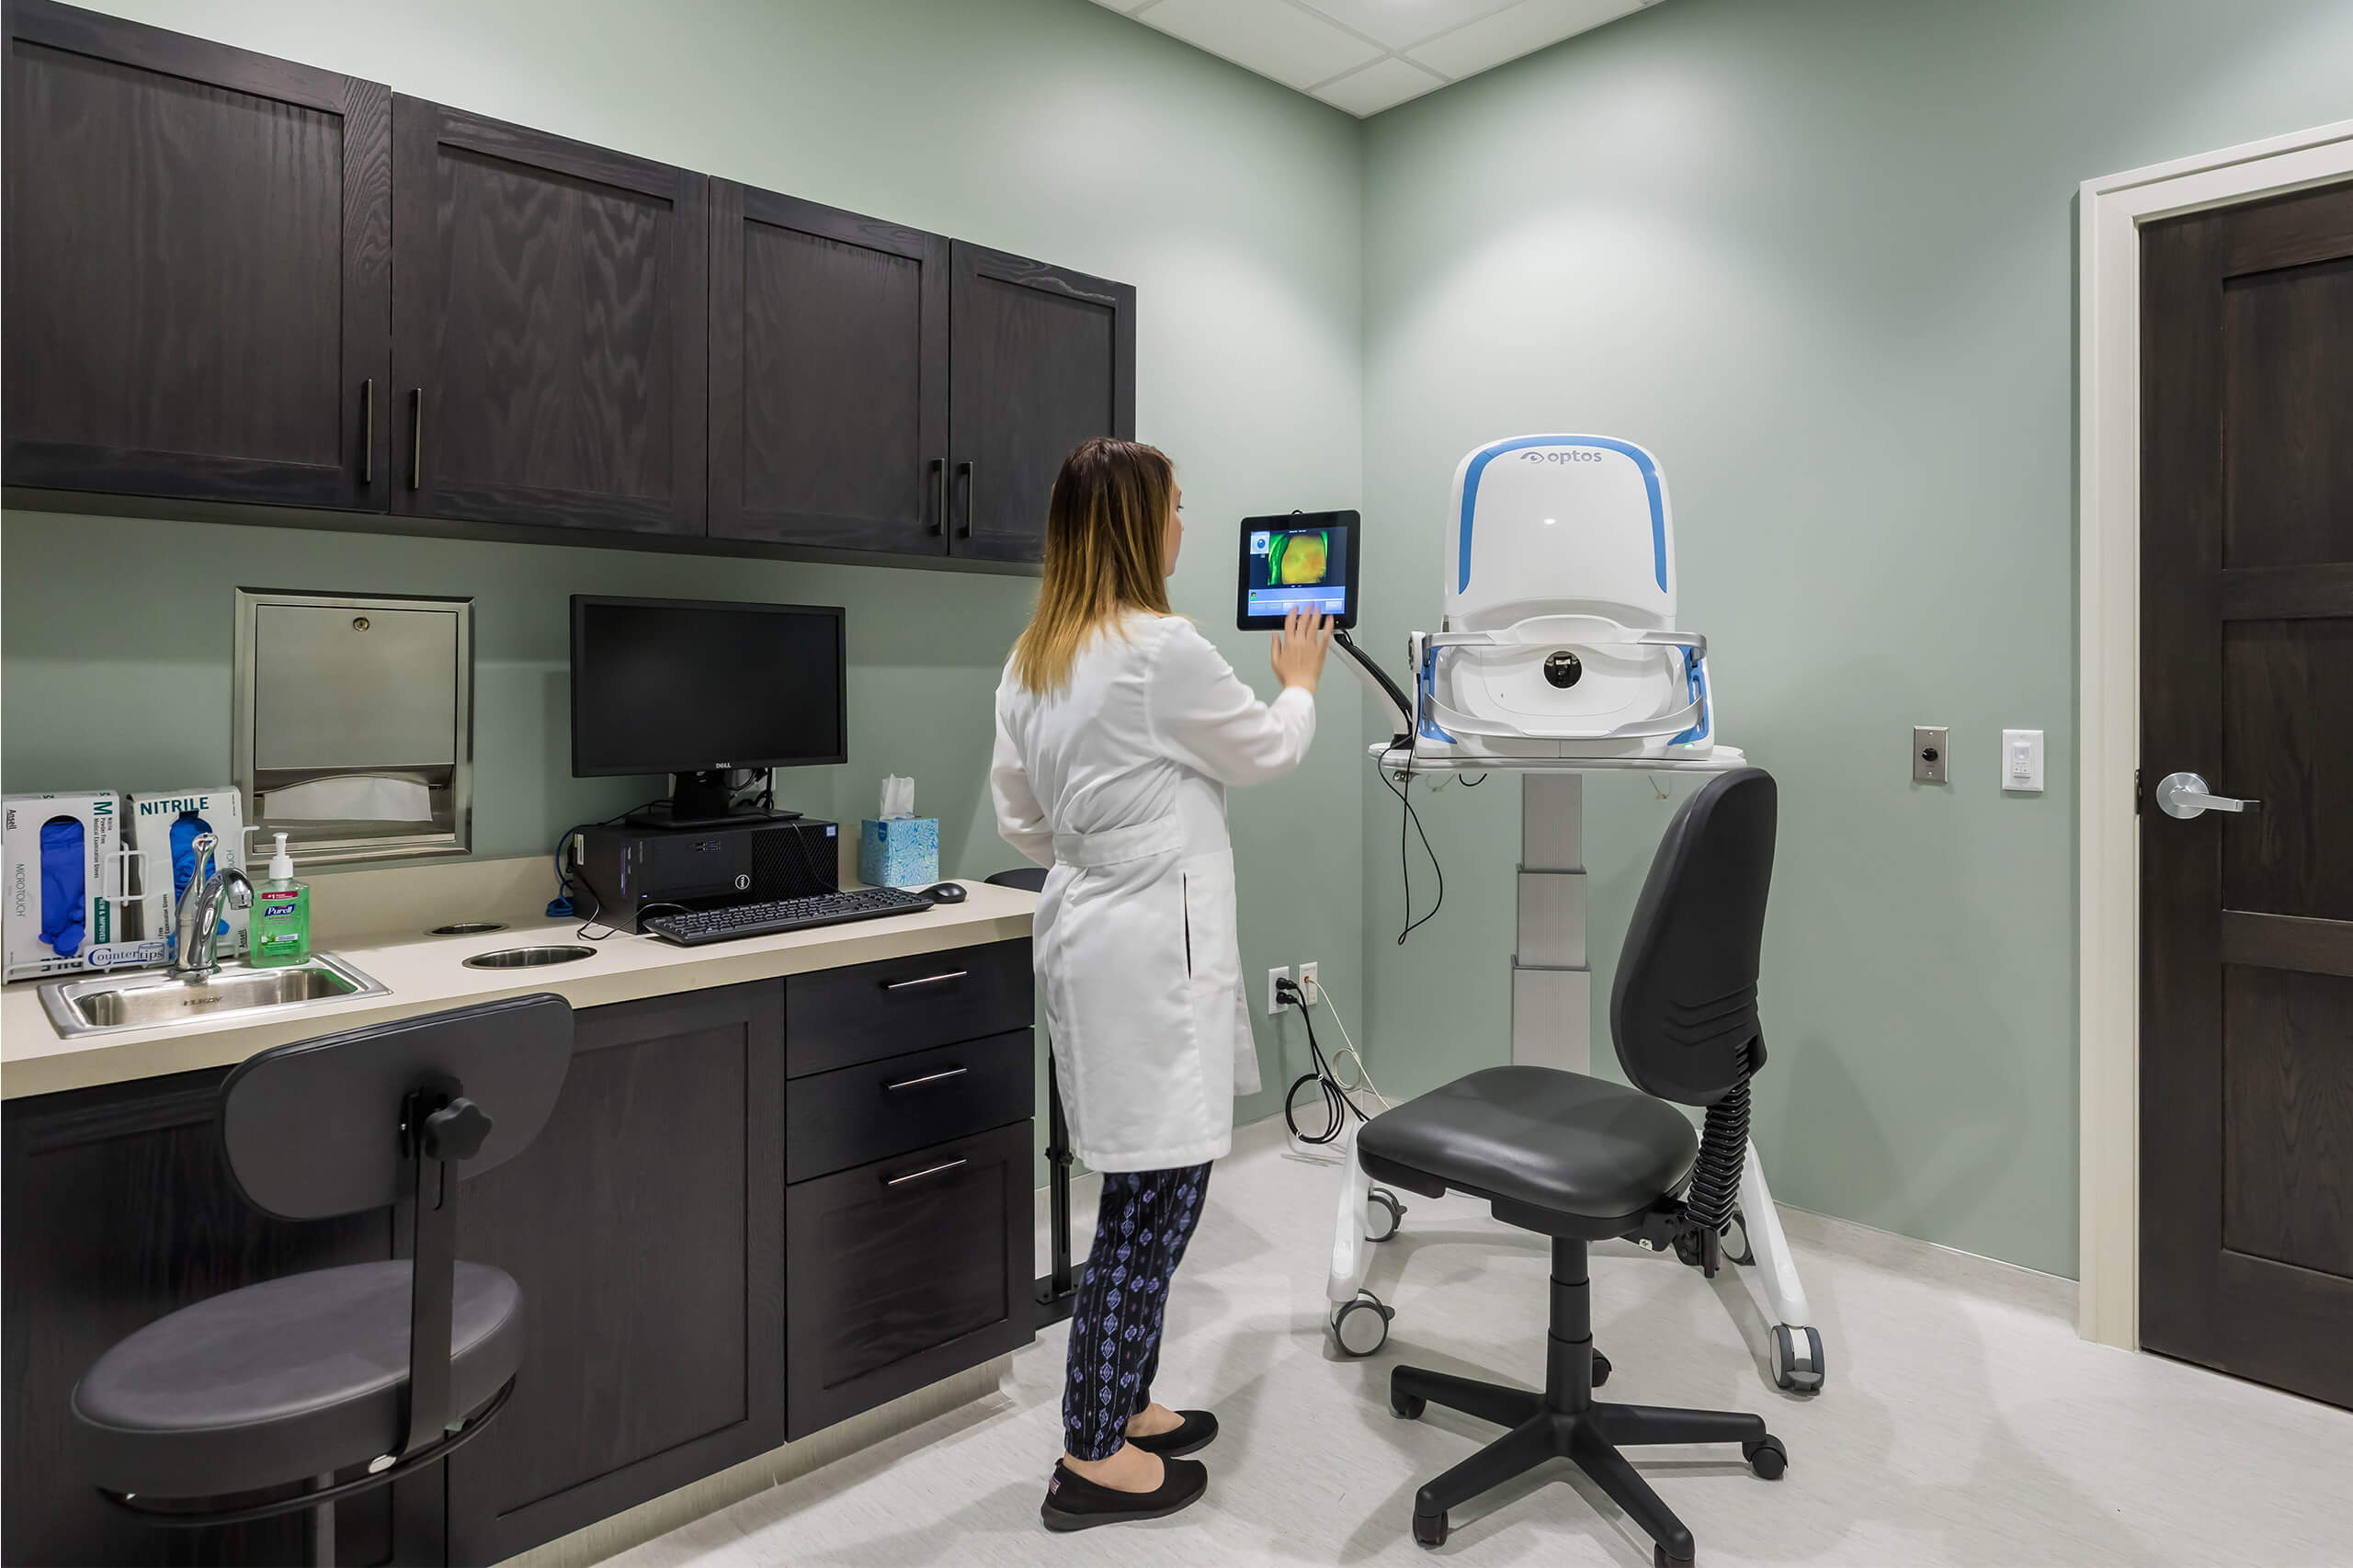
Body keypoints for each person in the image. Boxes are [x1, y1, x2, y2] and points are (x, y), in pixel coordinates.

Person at [991, 436, 1331, 1531]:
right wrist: (1300, 684)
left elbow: (1021, 821)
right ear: (1141, 525)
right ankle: (1088, 1452)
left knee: (1140, 1188)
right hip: (1142, 952)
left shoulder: (1034, 657)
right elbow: (1266, 753)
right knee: (1153, 1206)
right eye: (1178, 506)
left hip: (1091, 933)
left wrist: (1112, 837)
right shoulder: (1159, 648)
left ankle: (1123, 1400)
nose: (1187, 524)